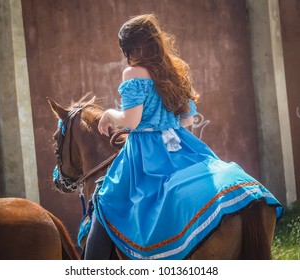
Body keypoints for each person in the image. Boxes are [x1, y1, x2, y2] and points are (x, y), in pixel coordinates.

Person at [84, 13, 283, 260]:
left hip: (145, 153)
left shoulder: (133, 73)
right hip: (181, 144)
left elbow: (132, 121)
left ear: (130, 47)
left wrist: (109, 115)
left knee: (106, 199)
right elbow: (187, 120)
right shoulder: (175, 69)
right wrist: (162, 118)